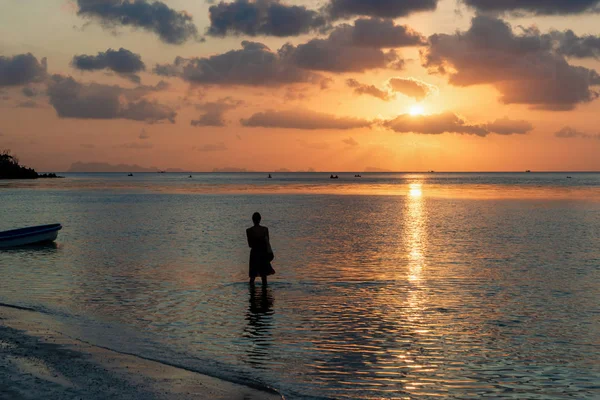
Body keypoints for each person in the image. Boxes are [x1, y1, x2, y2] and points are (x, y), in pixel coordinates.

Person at [246, 212, 275, 285]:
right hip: (263, 253)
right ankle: (265, 294)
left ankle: (251, 294)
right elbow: (267, 242)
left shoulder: (249, 231)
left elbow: (250, 245)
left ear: (252, 220)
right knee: (264, 277)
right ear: (260, 219)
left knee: (252, 278)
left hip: (254, 254)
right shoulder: (265, 230)